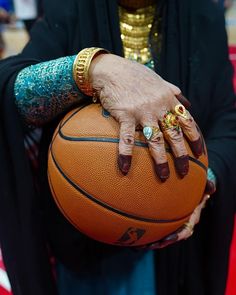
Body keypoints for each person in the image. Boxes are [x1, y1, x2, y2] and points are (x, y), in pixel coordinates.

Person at [0, 0, 235, 294]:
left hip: (177, 236)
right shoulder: (68, 8)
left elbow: (227, 120)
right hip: (90, 243)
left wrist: (203, 181)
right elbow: (12, 96)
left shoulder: (203, 13)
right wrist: (89, 69)